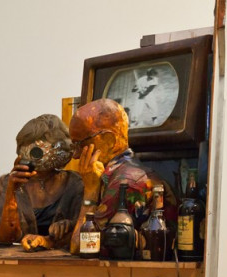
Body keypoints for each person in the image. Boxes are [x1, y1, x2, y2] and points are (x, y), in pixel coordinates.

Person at [68, 98, 177, 247]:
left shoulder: (126, 182)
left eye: (80, 144)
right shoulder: (114, 175)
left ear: (108, 141)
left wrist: (90, 192)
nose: (75, 155)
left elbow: (81, 245)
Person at [0, 114, 83, 252]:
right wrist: (11, 193)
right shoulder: (7, 183)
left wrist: (68, 226)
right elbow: (5, 237)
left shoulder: (75, 184)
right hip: (15, 264)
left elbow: (87, 228)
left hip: (65, 265)